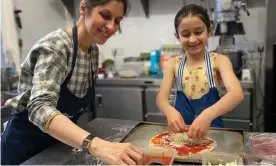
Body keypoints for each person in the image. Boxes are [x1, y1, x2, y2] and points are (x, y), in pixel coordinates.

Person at [1, 0, 144, 165]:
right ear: (83, 8)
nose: (111, 27)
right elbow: (39, 107)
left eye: (117, 21)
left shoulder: (93, 51)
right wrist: (95, 145)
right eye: (105, 15)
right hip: (25, 150)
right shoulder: (56, 46)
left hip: (57, 147)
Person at [156, 4, 244, 140]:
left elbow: (237, 94)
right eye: (185, 34)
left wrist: (206, 115)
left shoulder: (219, 61)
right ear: (177, 36)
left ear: (209, 31)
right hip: (181, 137)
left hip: (213, 134)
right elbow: (161, 99)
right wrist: (169, 111)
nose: (192, 39)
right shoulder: (173, 64)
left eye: (198, 32)